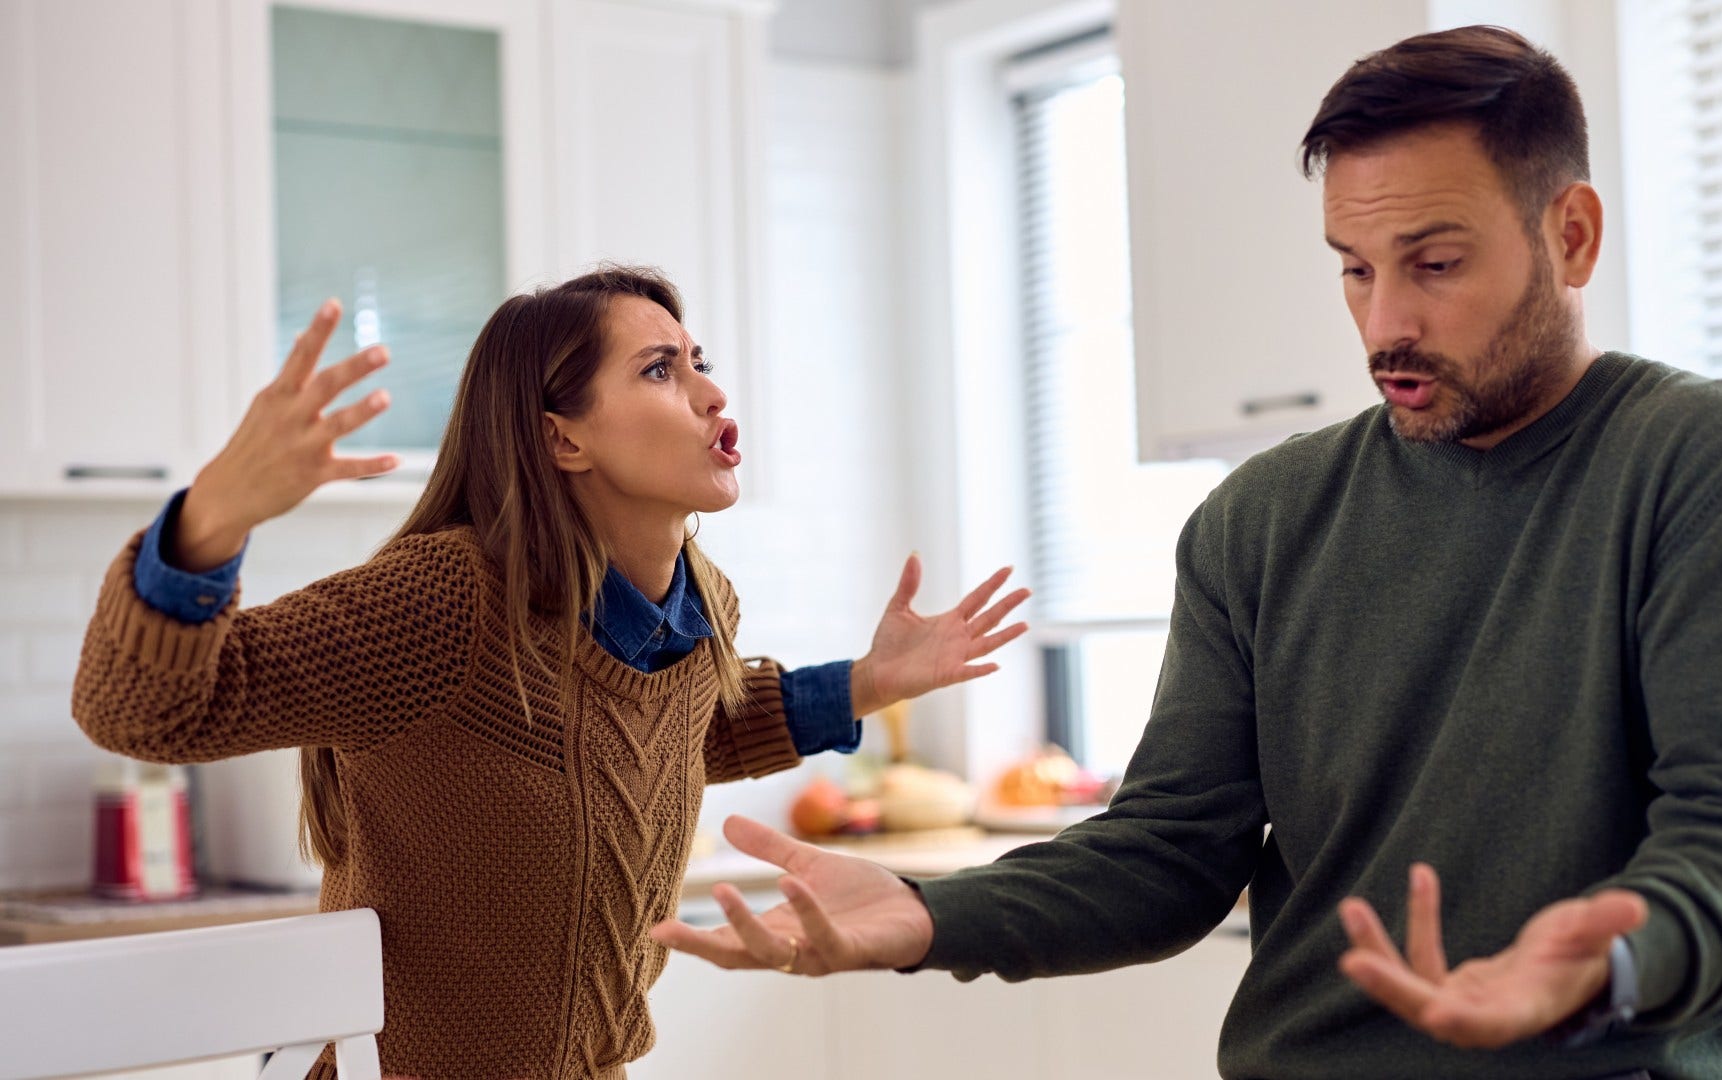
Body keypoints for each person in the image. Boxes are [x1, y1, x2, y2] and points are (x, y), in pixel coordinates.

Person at [649, 26, 1722, 1080]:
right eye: (1355, 270)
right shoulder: (1264, 519)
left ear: (1571, 236)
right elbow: (1169, 852)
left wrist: (1612, 957)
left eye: (1436, 264)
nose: (1386, 324)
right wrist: (930, 914)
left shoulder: (1708, 465)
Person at [71, 264, 1031, 1079]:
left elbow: (672, 733)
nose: (710, 393)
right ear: (563, 437)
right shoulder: (451, 601)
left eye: (701, 362)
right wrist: (213, 518)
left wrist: (866, 681)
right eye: (661, 369)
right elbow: (142, 712)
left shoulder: (700, 608)